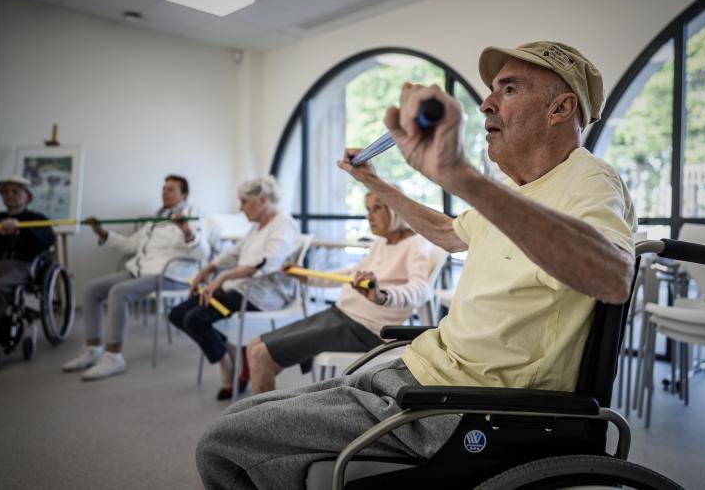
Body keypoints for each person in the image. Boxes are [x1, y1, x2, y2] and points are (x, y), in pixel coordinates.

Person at [196, 41, 637, 488]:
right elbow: (448, 232)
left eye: (508, 89)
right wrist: (376, 183)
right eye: (491, 90)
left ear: (560, 108)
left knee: (221, 442)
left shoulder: (588, 177)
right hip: (421, 373)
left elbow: (614, 276)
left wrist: (461, 177)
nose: (486, 103)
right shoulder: (517, 190)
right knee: (246, 417)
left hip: (465, 407)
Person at [246, 191, 435, 395]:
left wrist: (382, 295)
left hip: (364, 329)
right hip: (340, 315)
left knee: (260, 355)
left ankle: (260, 421)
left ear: (396, 207)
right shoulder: (382, 242)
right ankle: (265, 409)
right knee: (254, 345)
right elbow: (350, 274)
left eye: (377, 208)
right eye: (367, 209)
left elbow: (421, 289)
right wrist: (307, 277)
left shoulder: (416, 244)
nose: (369, 216)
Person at [62, 175, 209, 380]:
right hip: (141, 270)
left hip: (169, 273)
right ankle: (92, 348)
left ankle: (114, 356)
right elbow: (131, 245)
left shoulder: (195, 215)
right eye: (163, 188)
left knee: (119, 292)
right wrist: (102, 233)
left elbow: (203, 253)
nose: (164, 192)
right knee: (91, 289)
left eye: (171, 189)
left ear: (184, 194)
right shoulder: (156, 218)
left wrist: (185, 230)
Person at [168, 176, 299, 400]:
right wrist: (208, 270)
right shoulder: (258, 226)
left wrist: (222, 277)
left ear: (263, 199)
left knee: (195, 319)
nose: (240, 208)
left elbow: (266, 263)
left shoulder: (284, 225)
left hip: (263, 295)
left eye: (244, 201)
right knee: (177, 314)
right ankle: (234, 353)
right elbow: (234, 254)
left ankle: (227, 366)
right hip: (239, 288)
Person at [0, 176, 55, 335]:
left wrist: (20, 230)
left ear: (27, 196)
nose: (9, 195)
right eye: (5, 192)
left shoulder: (37, 218)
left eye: (15, 191)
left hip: (21, 265)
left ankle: (0, 326)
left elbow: (47, 240)